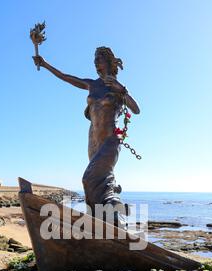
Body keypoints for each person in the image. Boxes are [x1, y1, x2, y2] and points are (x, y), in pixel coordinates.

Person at [33, 47, 140, 224]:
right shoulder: (92, 84)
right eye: (94, 59)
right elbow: (66, 77)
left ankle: (115, 210)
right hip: (93, 141)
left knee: (89, 178)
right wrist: (44, 64)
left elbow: (136, 109)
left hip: (110, 140)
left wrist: (122, 89)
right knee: (96, 185)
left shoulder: (116, 87)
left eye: (99, 58)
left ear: (109, 61)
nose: (96, 62)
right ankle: (103, 224)